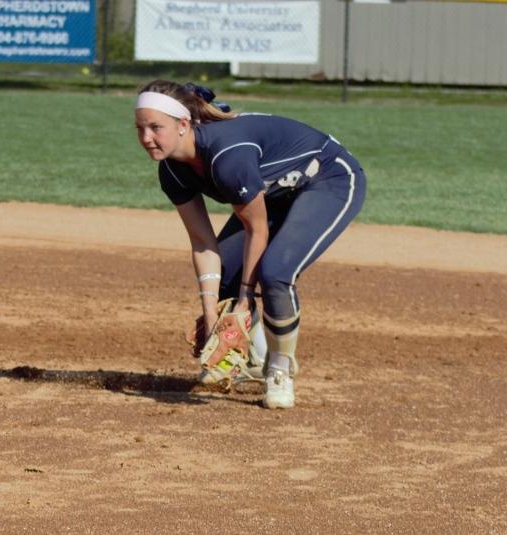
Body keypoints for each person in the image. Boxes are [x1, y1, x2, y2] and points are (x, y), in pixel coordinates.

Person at [134, 80, 366, 409]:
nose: (146, 138)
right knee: (225, 274)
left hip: (327, 178)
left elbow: (256, 229)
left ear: (183, 124)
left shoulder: (226, 155)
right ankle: (254, 359)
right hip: (274, 193)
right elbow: (202, 243)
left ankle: (279, 371)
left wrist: (244, 300)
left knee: (275, 274)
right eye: (140, 128)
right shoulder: (171, 170)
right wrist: (210, 313)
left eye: (156, 127)